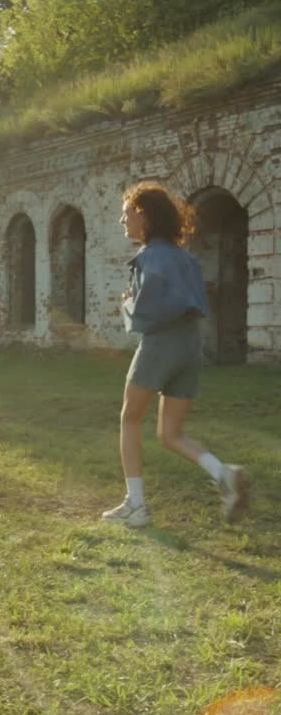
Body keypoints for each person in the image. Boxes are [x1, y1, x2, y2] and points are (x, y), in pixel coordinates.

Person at [102, 181, 248, 528]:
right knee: (170, 433)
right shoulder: (186, 258)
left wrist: (127, 304)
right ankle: (224, 473)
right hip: (190, 347)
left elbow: (147, 311)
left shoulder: (149, 256)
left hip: (161, 345)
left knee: (130, 419)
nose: (123, 221)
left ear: (144, 215)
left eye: (126, 214)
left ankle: (136, 506)